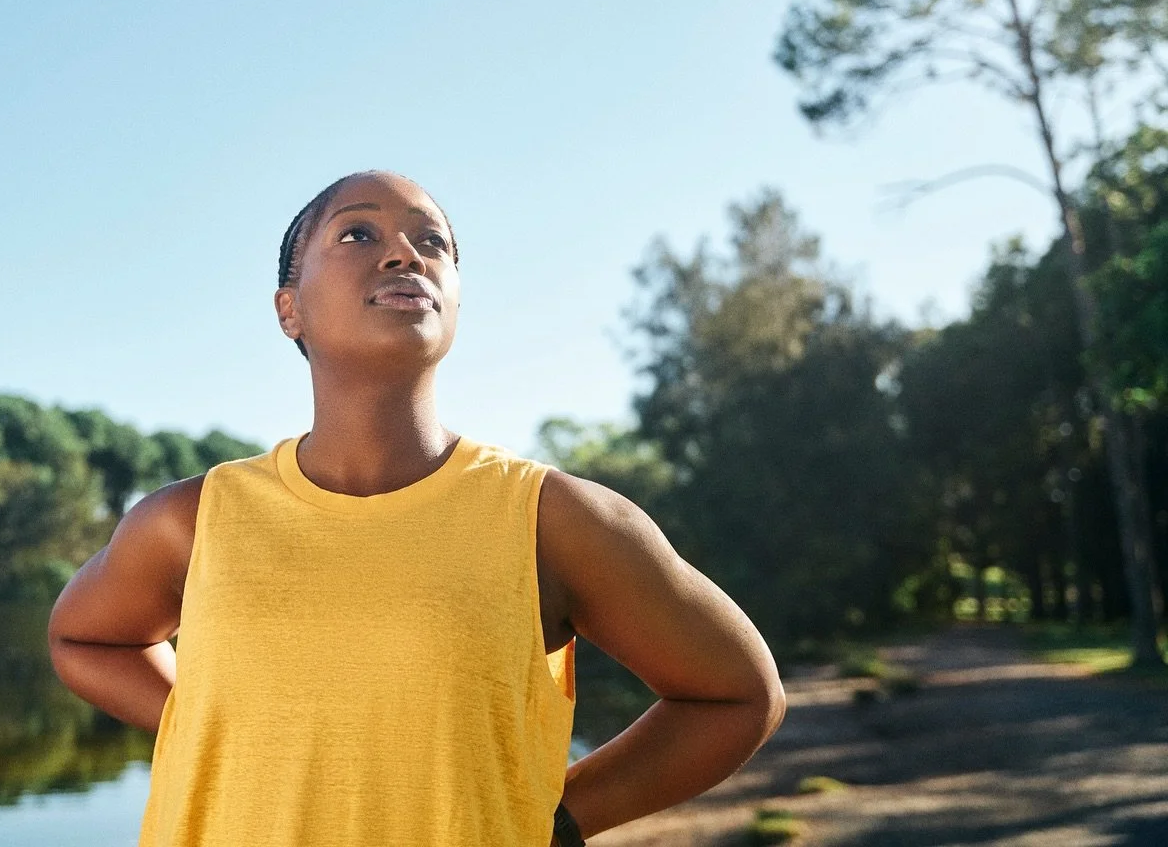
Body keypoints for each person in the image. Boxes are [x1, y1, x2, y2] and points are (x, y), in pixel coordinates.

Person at [47, 169, 786, 846]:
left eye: (433, 241)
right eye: (358, 233)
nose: (406, 253)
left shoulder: (551, 518)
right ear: (288, 309)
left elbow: (737, 695)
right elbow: (85, 640)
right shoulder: (192, 519)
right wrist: (212, 718)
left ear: (456, 299)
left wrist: (561, 816)